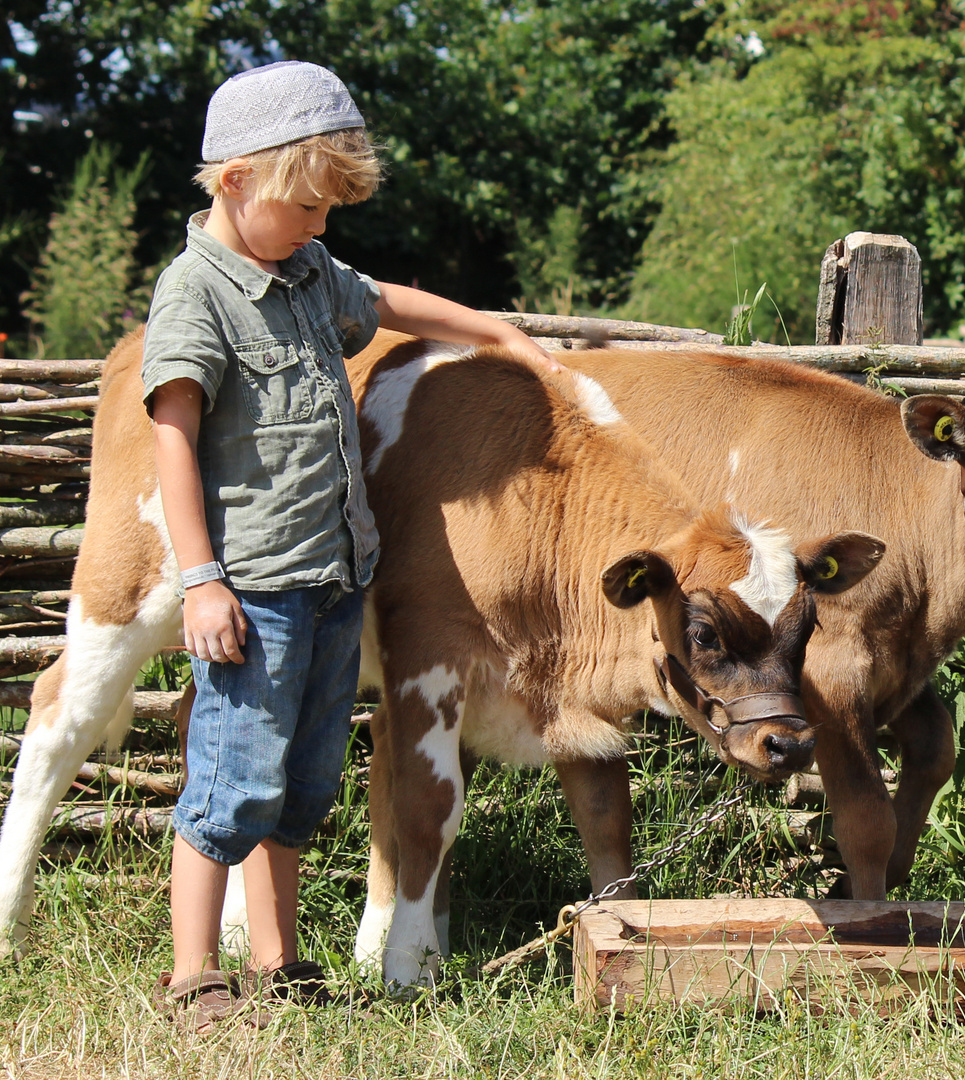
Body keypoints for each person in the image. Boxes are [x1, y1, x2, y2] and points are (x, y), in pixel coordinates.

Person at [143, 60, 559, 1030]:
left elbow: (394, 302)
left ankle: (276, 956)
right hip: (250, 591)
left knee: (298, 781)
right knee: (229, 780)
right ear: (237, 180)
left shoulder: (303, 275)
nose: (321, 226)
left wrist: (502, 335)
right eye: (309, 206)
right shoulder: (193, 296)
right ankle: (193, 973)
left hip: (332, 578)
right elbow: (172, 439)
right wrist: (202, 582)